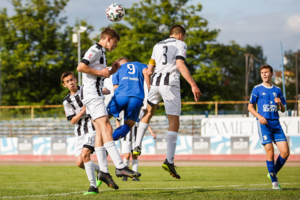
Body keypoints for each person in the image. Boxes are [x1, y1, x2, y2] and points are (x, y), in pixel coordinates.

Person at [133, 25, 202, 179]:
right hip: (170, 84)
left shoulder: (157, 45)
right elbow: (179, 64)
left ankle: (137, 145)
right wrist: (193, 84)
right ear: (181, 35)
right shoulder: (180, 44)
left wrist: (151, 88)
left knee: (148, 112)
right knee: (174, 122)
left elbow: (149, 70)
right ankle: (169, 160)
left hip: (155, 84)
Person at [77, 27, 141, 191]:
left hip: (93, 94)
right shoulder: (95, 49)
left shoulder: (102, 53)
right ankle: (119, 165)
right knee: (107, 127)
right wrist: (101, 72)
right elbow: (81, 67)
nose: (115, 46)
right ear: (108, 38)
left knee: (100, 132)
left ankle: (103, 172)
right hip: (92, 94)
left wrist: (112, 71)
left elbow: (102, 73)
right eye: (115, 42)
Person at [61, 71, 108, 195]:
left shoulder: (86, 89)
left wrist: (104, 91)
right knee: (79, 162)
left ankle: (93, 186)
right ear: (64, 85)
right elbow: (72, 120)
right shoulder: (66, 101)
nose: (70, 83)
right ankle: (101, 172)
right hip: (79, 132)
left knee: (85, 155)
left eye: (72, 79)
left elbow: (100, 90)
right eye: (67, 81)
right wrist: (82, 111)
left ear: (75, 79)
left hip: (92, 128)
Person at [248, 64, 289, 190]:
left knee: (285, 152)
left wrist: (280, 103)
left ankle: (271, 172)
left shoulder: (277, 90)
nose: (264, 74)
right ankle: (275, 183)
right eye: (262, 73)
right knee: (270, 153)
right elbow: (250, 107)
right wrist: (259, 117)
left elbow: (283, 109)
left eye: (266, 72)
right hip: (264, 125)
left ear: (272, 74)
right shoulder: (257, 89)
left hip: (276, 124)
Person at [107, 57, 150, 141]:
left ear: (119, 64)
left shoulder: (117, 68)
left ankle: (102, 142)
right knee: (128, 125)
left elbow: (115, 87)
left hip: (120, 96)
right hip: (137, 98)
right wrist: (150, 88)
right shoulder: (139, 65)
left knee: (102, 119)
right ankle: (110, 141)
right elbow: (146, 72)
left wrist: (120, 105)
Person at [117, 109, 156, 182]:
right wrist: (119, 130)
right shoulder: (123, 110)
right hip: (126, 136)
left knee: (135, 154)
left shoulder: (140, 111)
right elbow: (117, 120)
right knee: (127, 155)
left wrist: (151, 132)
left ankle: (134, 176)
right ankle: (125, 174)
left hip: (136, 137)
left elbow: (145, 121)